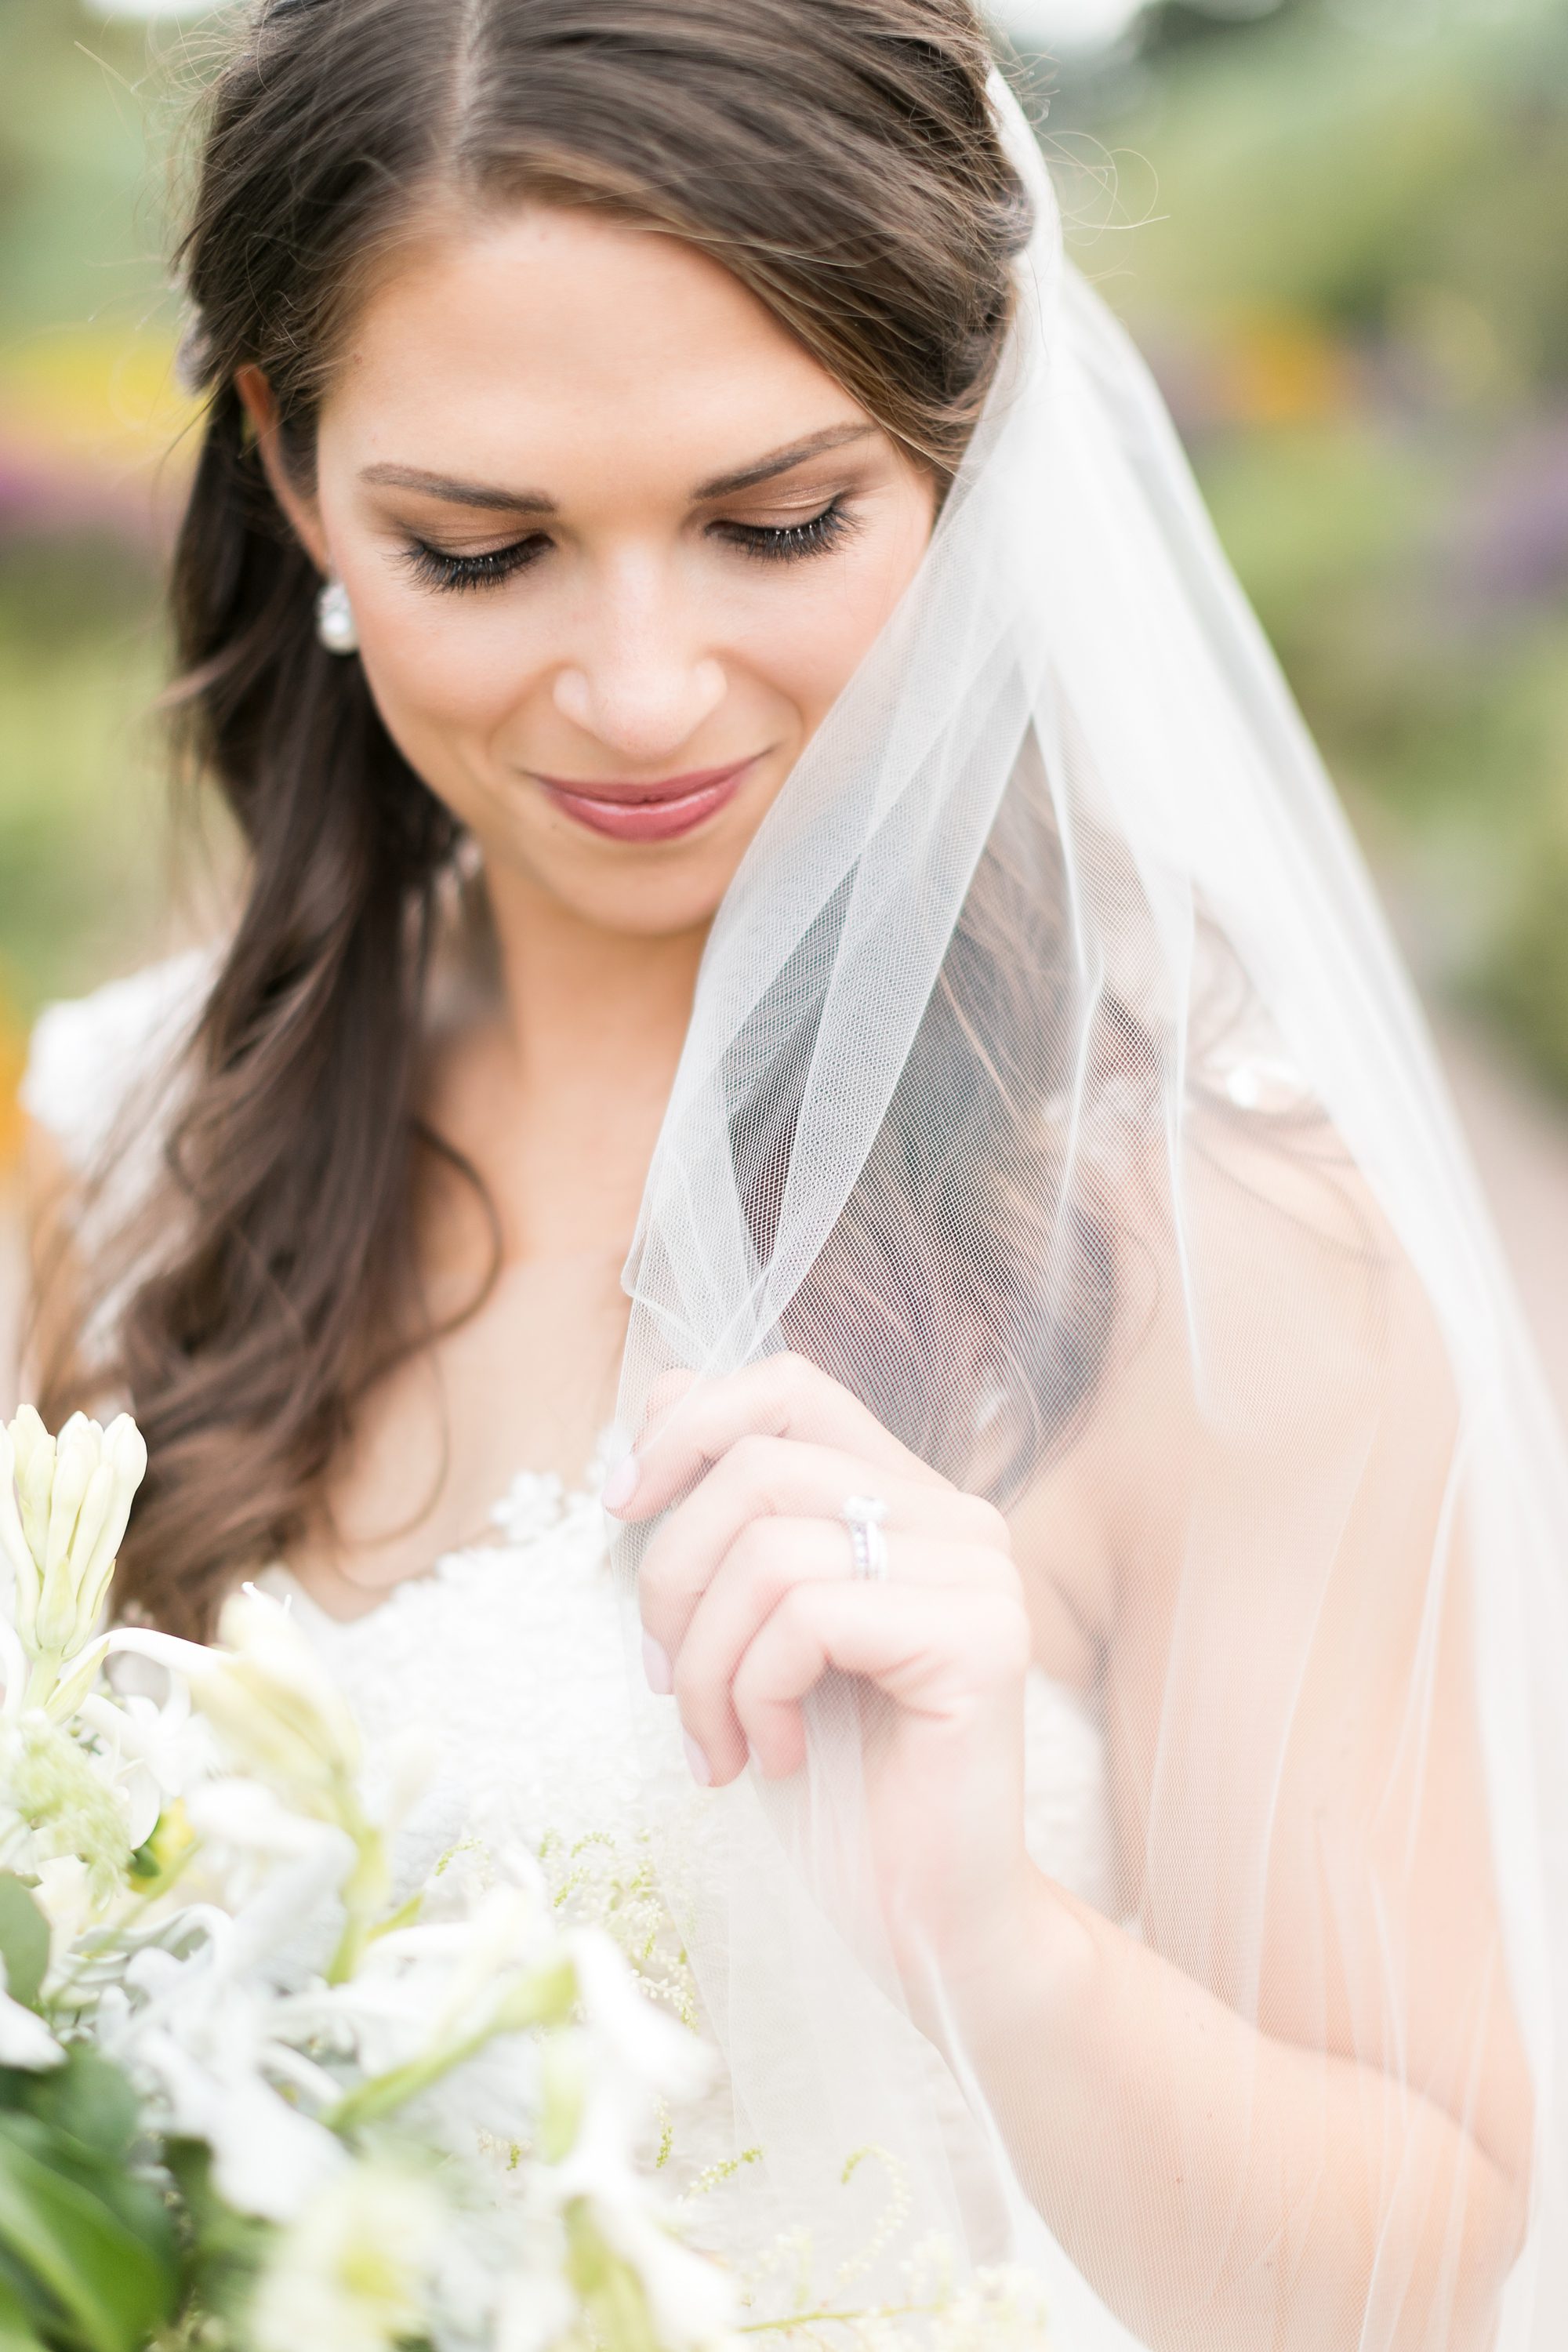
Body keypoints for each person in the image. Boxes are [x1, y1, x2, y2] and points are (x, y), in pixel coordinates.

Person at [20, 1, 1568, 2343]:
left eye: (775, 522)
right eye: (485, 547)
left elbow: (1401, 2278)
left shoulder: (1221, 1267)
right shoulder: (108, 1151)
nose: (643, 692)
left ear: (968, 457)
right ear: (297, 469)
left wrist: (995, 1941)